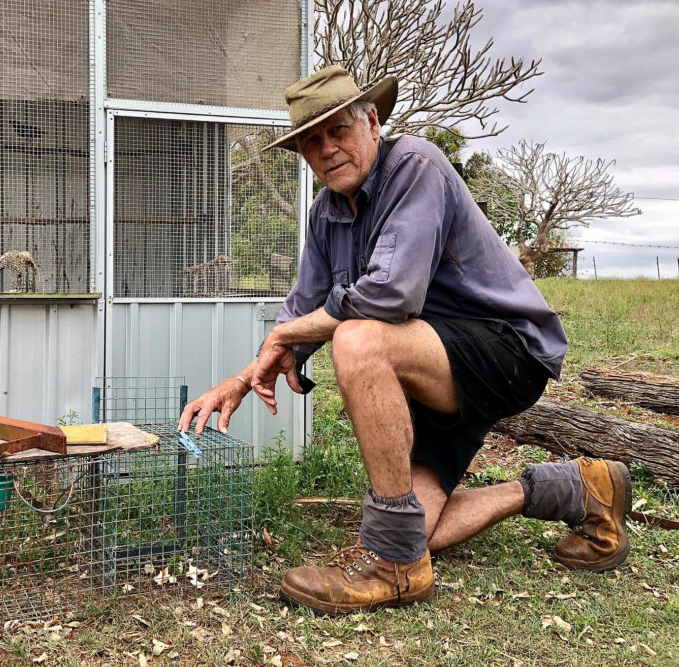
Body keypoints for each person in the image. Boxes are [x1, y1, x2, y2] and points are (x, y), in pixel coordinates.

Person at [177, 64, 631, 614]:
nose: (327, 150)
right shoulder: (325, 214)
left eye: (337, 130)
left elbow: (392, 297)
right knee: (422, 530)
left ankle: (396, 569)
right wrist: (246, 377)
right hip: (433, 370)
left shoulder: (416, 165)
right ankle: (583, 488)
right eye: (311, 142)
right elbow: (298, 311)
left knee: (359, 339)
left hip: (507, 348)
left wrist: (289, 333)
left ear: (371, 121)